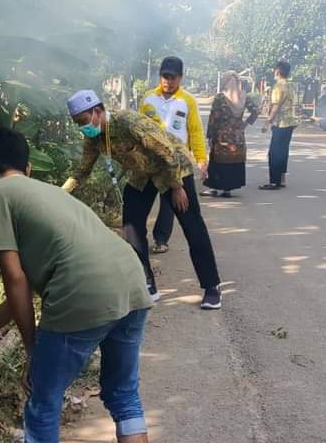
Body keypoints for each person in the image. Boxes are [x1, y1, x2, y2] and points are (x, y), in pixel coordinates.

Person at [0, 127, 152, 443]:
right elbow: (27, 283)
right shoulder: (48, 193)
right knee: (124, 395)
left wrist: (32, 349)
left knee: (43, 404)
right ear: (28, 167)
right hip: (131, 283)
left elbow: (15, 280)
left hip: (82, 291)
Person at [61, 90, 225, 310]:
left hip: (172, 170)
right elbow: (83, 170)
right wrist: (60, 193)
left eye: (83, 121)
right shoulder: (94, 137)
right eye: (77, 123)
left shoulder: (128, 122)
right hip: (141, 176)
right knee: (131, 226)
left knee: (192, 225)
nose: (83, 127)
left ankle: (212, 288)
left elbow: (166, 151)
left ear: (97, 111)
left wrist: (177, 187)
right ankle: (147, 283)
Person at [138, 56, 208, 254]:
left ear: (181, 78)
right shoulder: (148, 98)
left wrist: (201, 160)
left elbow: (195, 132)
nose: (168, 81)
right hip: (151, 161)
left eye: (173, 77)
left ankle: (161, 239)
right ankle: (136, 241)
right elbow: (139, 129)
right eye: (164, 76)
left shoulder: (188, 101)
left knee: (175, 204)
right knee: (142, 202)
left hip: (178, 163)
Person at [204, 71, 259, 197]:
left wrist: (210, 135)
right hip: (238, 137)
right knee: (234, 161)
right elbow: (256, 111)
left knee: (217, 161)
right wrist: (245, 124)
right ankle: (227, 189)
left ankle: (214, 188)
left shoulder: (220, 98)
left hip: (221, 137)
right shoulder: (244, 97)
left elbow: (214, 118)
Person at [259, 61, 298, 190]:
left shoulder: (278, 86)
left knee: (274, 153)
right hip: (290, 122)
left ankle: (274, 182)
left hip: (281, 123)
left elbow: (276, 106)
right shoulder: (290, 85)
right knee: (283, 150)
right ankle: (281, 178)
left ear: (277, 71)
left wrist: (267, 122)